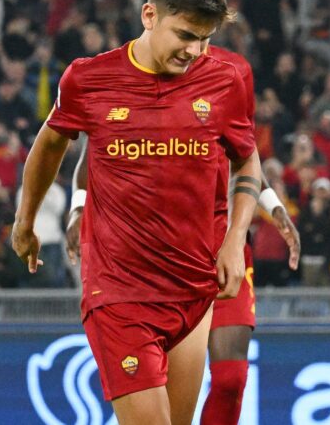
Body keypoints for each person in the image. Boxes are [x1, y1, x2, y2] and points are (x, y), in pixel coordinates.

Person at [10, 0, 261, 424]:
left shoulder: (224, 81)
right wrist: (26, 221)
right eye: (184, 35)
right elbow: (50, 145)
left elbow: (248, 158)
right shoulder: (88, 79)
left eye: (205, 39)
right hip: (119, 292)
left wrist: (234, 240)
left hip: (193, 286)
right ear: (149, 15)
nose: (194, 51)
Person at [65, 45, 300, 425]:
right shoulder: (138, 73)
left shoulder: (231, 73)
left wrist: (273, 207)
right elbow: (93, 152)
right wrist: (78, 208)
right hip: (164, 258)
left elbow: (244, 155)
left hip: (226, 250)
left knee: (230, 379)